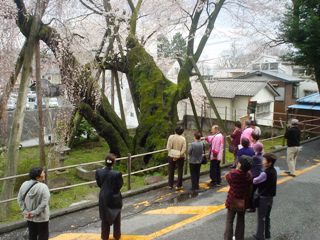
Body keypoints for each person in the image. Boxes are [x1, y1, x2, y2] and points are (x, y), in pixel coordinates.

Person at [17, 167, 50, 240]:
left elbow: (19, 199)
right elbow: (44, 203)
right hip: (42, 217)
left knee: (32, 234)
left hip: (29, 216)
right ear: (38, 177)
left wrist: (25, 211)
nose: (44, 173)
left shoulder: (24, 184)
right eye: (43, 173)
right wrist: (34, 213)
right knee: (43, 235)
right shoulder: (43, 187)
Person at [224, 155, 253, 240]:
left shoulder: (233, 174)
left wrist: (236, 169)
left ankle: (227, 238)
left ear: (239, 164)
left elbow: (228, 178)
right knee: (241, 220)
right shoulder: (249, 175)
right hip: (243, 200)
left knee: (229, 220)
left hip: (232, 199)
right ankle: (239, 237)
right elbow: (250, 188)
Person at [96, 153, 123, 240]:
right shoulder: (117, 174)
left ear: (105, 162)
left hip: (103, 196)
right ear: (113, 163)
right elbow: (119, 185)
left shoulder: (99, 172)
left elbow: (99, 183)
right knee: (116, 217)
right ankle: (117, 235)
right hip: (115, 197)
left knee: (104, 217)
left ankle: (104, 236)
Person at [253, 153, 277, 240]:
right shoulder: (273, 171)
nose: (262, 161)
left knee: (261, 217)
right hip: (270, 197)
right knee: (267, 216)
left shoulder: (265, 173)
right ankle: (267, 234)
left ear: (269, 163)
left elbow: (255, 181)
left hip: (263, 197)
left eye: (264, 160)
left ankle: (259, 236)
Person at [167, 126, 187, 190]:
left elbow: (168, 147)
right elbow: (184, 149)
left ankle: (170, 185)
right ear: (182, 132)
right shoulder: (183, 139)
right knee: (180, 170)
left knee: (171, 170)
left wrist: (173, 154)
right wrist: (178, 155)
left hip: (171, 155)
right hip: (180, 157)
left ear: (175, 131)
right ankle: (179, 185)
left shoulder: (171, 137)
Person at [247, 142, 264, 212]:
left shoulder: (255, 158)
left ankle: (252, 207)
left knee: (251, 192)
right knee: (258, 191)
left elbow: (249, 164)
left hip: (255, 176)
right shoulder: (262, 156)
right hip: (260, 175)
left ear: (255, 149)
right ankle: (258, 204)